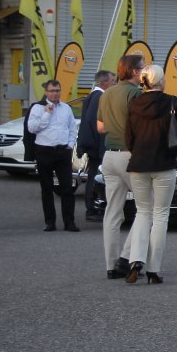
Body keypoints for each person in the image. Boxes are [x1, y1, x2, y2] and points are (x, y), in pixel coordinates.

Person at [118, 64, 177, 284]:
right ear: (160, 80)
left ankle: (135, 261)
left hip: (138, 164)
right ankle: (153, 270)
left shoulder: (134, 103)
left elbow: (128, 138)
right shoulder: (172, 102)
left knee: (142, 213)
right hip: (164, 164)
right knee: (160, 215)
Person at [96, 54, 145, 280]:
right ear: (134, 72)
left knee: (112, 213)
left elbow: (100, 128)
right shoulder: (135, 94)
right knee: (146, 208)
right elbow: (141, 126)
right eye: (142, 68)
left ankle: (110, 265)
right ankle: (126, 259)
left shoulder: (107, 93)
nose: (144, 72)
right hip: (130, 154)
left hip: (109, 156)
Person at [28, 79, 81, 232]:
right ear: (46, 92)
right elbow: (32, 128)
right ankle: (50, 222)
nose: (55, 93)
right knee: (47, 188)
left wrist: (70, 145)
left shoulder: (66, 108)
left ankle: (69, 222)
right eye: (52, 91)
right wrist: (47, 114)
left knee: (67, 188)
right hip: (44, 151)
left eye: (57, 90)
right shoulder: (38, 108)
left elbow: (72, 128)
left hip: (62, 151)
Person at [78, 70, 115, 221]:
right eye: (113, 80)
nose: (115, 83)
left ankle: (93, 207)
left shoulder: (93, 96)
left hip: (94, 145)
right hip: (98, 146)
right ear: (104, 83)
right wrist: (101, 149)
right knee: (95, 177)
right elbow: (96, 124)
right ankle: (92, 209)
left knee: (94, 176)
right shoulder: (100, 97)